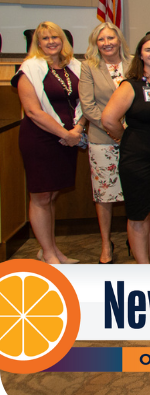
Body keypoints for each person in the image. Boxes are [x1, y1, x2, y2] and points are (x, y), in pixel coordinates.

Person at [102, 33, 150, 264]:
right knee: (139, 214)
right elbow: (108, 119)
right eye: (149, 50)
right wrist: (128, 138)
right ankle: (143, 267)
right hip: (138, 160)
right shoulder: (131, 85)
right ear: (141, 55)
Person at [12, 22, 84, 265]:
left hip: (69, 137)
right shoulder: (29, 68)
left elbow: (86, 100)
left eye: (56, 37)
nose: (51, 41)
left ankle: (49, 249)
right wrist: (65, 134)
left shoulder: (73, 66)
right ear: (38, 43)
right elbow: (32, 111)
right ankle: (49, 253)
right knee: (41, 196)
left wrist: (77, 130)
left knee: (52, 195)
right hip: (41, 138)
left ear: (63, 40)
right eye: (45, 38)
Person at [79, 22, 131, 264]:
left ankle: (135, 237)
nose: (107, 43)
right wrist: (114, 130)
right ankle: (105, 244)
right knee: (105, 195)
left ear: (119, 40)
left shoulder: (133, 63)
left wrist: (127, 132)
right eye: (101, 39)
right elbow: (88, 106)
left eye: (111, 38)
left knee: (135, 191)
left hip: (135, 139)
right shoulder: (89, 67)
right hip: (102, 139)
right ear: (95, 44)